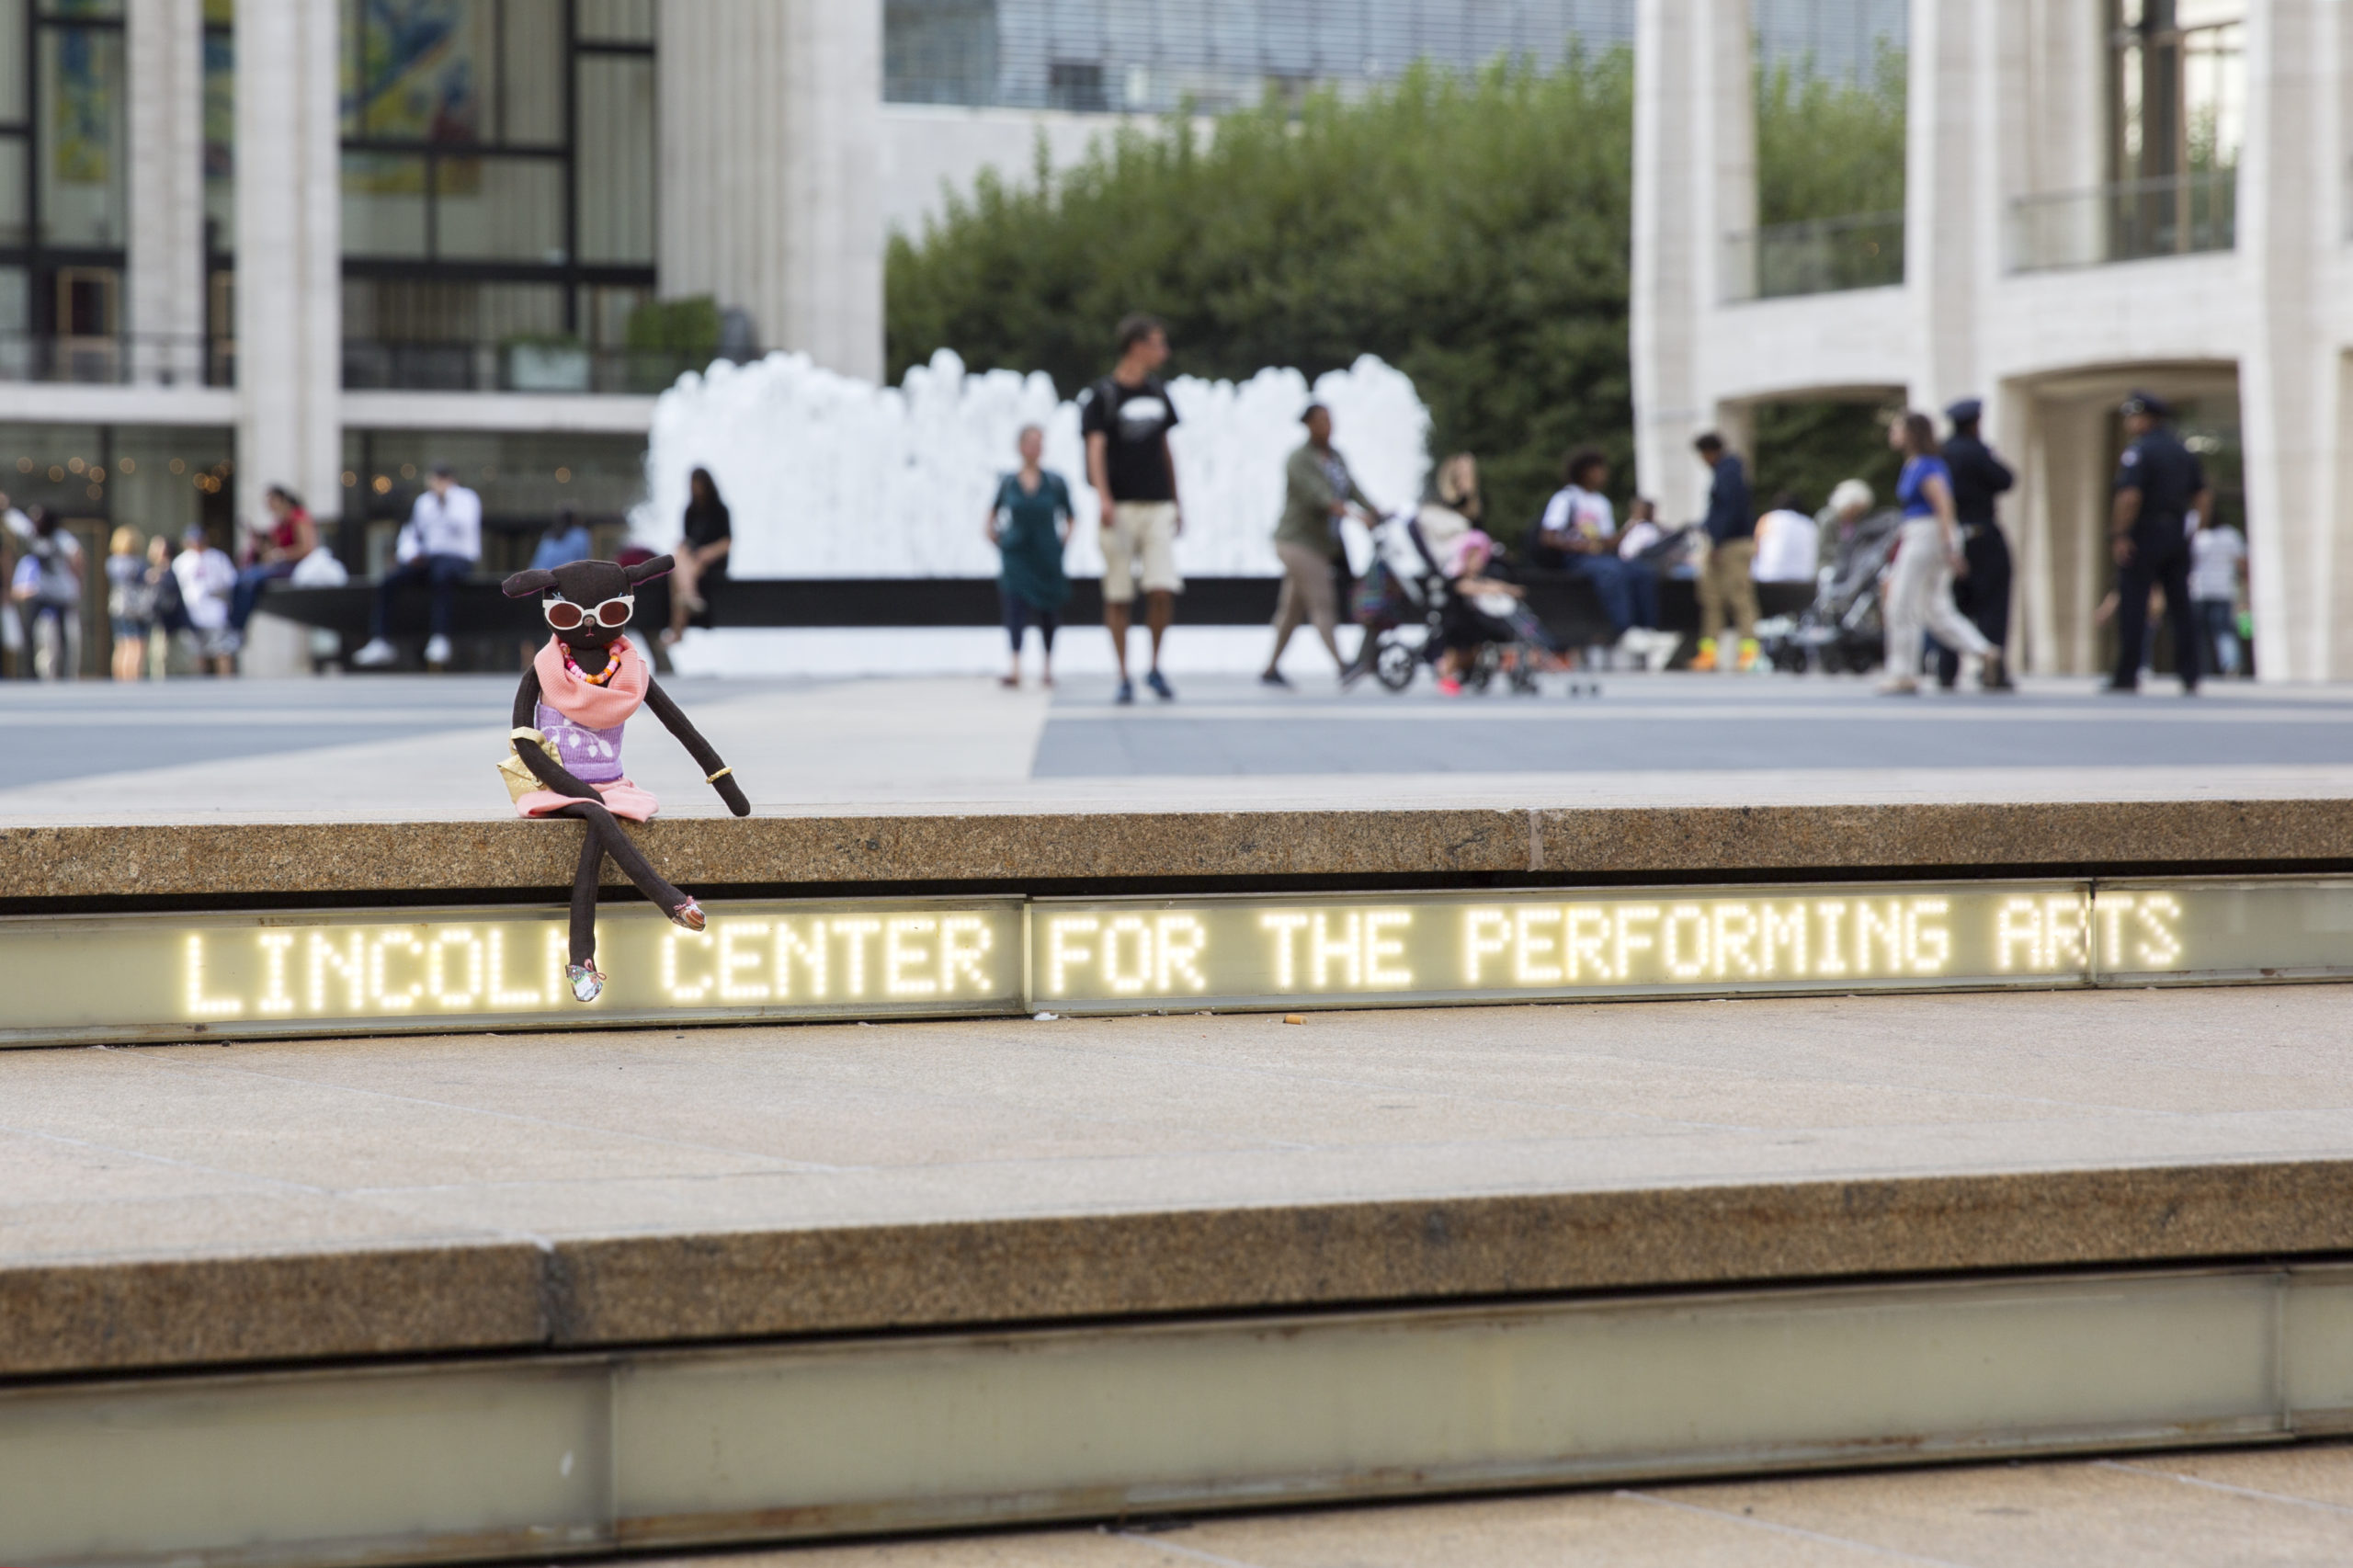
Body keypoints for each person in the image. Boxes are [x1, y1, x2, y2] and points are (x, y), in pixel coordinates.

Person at [1080, 313, 1183, 704]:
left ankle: (1154, 666)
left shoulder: (1158, 393)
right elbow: (1096, 449)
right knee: (1119, 593)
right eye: (1158, 343)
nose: (1164, 351)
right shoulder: (1103, 395)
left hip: (1157, 504)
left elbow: (1165, 448)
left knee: (1161, 587)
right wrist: (1103, 498)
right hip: (1120, 506)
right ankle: (1123, 674)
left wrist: (1177, 499)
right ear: (1136, 346)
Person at [1880, 411, 1995, 695]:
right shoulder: (1919, 464)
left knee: (1900, 602)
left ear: (1911, 433)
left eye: (1897, 428)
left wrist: (1950, 546)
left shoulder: (1926, 466)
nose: (1892, 434)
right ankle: (1982, 650)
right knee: (1935, 606)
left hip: (1926, 535)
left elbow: (1943, 505)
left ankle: (1903, 671)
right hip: (1923, 533)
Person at [1264, 403, 1372, 687]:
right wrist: (1355, 516)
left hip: (1320, 545)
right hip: (1298, 542)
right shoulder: (1299, 459)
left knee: (1291, 610)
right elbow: (1319, 497)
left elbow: (1352, 488)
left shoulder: (1335, 457)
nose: (1328, 425)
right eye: (1322, 420)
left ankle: (1270, 669)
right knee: (1322, 601)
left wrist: (1376, 511)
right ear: (1309, 424)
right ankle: (1341, 665)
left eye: (1330, 419)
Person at [2105, 391, 2206, 695]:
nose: (2129, 423)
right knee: (2181, 606)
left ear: (2147, 418)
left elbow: (2130, 496)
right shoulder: (2182, 451)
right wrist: (2193, 529)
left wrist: (2120, 533)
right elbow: (2202, 495)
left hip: (2145, 533)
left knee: (2134, 604)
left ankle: (2126, 674)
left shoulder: (2140, 451)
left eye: (2133, 416)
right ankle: (2190, 673)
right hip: (2175, 532)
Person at [1534, 448, 1668, 665]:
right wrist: (1582, 546)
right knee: (1611, 572)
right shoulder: (1566, 498)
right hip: (1575, 559)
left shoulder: (1601, 503)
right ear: (1586, 471)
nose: (1604, 475)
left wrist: (1632, 524)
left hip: (1601, 557)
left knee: (1642, 571)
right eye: (1599, 470)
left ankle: (1646, 628)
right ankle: (1625, 630)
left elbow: (1608, 542)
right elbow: (1548, 536)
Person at [352, 461, 482, 670]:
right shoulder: (424, 502)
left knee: (442, 578)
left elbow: (462, 525)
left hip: (457, 558)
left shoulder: (465, 499)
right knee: (390, 581)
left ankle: (440, 637)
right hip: (428, 558)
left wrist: (444, 500)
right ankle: (381, 640)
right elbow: (412, 534)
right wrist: (410, 555)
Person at [1934, 399, 2018, 691]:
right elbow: (2006, 480)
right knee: (1993, 606)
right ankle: (1993, 669)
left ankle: (1946, 670)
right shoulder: (1977, 453)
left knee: (1951, 606)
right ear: (1975, 423)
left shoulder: (1942, 454)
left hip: (1952, 538)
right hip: (1983, 536)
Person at [985, 424, 1074, 688]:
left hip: (1046, 555)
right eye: (1031, 442)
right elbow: (990, 518)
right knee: (1014, 609)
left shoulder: (1055, 482)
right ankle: (1015, 666)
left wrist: (1061, 545)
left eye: (1040, 442)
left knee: (1049, 611)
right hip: (1017, 556)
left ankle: (1047, 666)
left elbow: (1070, 517)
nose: (1036, 447)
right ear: (1020, 447)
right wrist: (1001, 544)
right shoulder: (1008, 482)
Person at [1689, 432, 1758, 671]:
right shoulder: (1727, 471)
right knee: (1712, 599)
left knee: (1739, 598)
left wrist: (1716, 541)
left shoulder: (1729, 472)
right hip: (1724, 543)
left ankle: (1749, 655)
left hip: (1731, 544)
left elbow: (1729, 510)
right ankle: (1709, 654)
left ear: (1710, 452)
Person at [224, 485, 317, 653]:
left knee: (251, 581)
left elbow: (307, 548)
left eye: (271, 501)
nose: (268, 506)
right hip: (278, 566)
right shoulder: (278, 523)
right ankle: (233, 628)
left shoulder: (299, 516)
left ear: (281, 500)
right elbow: (271, 552)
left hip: (296, 567)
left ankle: (238, 630)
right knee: (239, 579)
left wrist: (280, 554)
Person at [7, 505, 83, 680]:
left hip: (60, 591)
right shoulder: (33, 534)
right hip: (40, 591)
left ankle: (65, 672)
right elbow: (17, 522)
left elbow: (77, 555)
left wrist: (78, 580)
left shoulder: (60, 538)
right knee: (31, 630)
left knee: (63, 633)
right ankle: (31, 673)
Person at [664, 467, 731, 649]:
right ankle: (690, 596)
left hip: (714, 563)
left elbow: (726, 543)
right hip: (693, 563)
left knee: (679, 568)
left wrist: (706, 553)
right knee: (678, 559)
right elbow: (688, 540)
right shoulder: (690, 511)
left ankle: (677, 630)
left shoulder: (720, 510)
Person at [172, 524, 237, 676]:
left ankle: (225, 686)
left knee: (222, 650)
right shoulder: (181, 562)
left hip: (216, 614)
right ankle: (200, 688)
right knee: (197, 654)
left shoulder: (218, 557)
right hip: (192, 613)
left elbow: (231, 581)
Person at [2189, 516, 2247, 677]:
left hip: (2198, 590)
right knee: (2224, 631)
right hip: (2223, 590)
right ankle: (2230, 664)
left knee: (2199, 633)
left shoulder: (2196, 536)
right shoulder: (2230, 536)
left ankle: (2200, 667)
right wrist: (2243, 588)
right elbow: (2242, 563)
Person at [105, 526, 154, 681]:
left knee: (121, 644)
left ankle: (120, 679)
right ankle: (133, 679)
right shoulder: (137, 564)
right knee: (137, 645)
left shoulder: (112, 562)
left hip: (117, 606)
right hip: (136, 608)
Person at [1750, 491, 1820, 583]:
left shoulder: (1768, 518)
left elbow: (1755, 548)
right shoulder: (1809, 523)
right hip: (1805, 579)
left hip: (1770, 577)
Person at [1816, 480, 1875, 574]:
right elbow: (1823, 549)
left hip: (1849, 569)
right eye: (1854, 509)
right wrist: (1849, 554)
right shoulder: (1827, 519)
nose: (1857, 514)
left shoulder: (1855, 522)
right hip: (1827, 568)